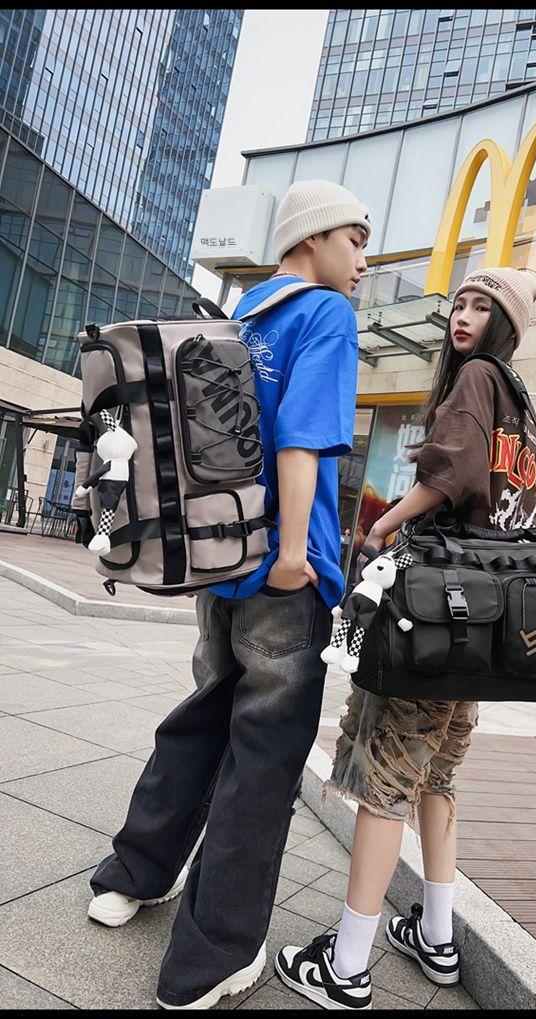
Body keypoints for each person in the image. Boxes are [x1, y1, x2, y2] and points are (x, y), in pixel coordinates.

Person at [87, 179, 371, 1010]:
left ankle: (132, 875)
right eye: (355, 239)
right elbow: (302, 442)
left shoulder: (241, 315)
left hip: (220, 559)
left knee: (205, 715)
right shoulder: (325, 314)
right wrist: (295, 553)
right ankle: (207, 961)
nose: (363, 260)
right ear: (312, 237)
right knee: (264, 755)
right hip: (284, 566)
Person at [275, 266, 536, 1010]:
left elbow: (448, 475)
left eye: (482, 306)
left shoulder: (476, 380)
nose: (464, 314)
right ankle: (436, 933)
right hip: (483, 622)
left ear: (505, 323)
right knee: (438, 778)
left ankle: (348, 966)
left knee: (387, 778)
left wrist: (383, 524)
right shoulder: (519, 400)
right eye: (461, 302)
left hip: (437, 619)